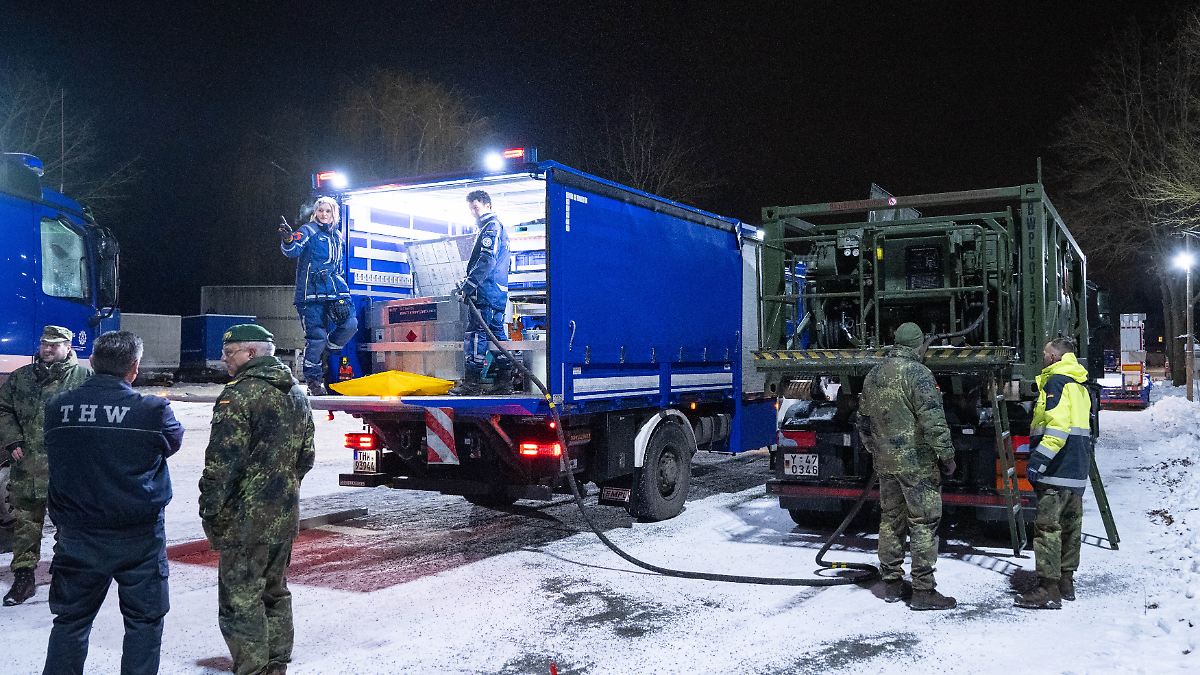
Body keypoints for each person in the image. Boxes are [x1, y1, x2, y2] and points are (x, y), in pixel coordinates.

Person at [41, 331, 184, 675]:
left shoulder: (58, 406)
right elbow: (172, 443)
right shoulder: (152, 410)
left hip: (77, 535)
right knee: (144, 622)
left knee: (71, 621)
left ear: (92, 362)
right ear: (134, 367)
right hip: (139, 538)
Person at [199, 324, 315, 675]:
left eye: (229, 352)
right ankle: (276, 662)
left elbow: (222, 462)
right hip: (283, 512)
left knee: (240, 598)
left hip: (244, 518)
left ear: (251, 353)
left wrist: (210, 508)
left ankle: (252, 668)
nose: (223, 358)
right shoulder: (296, 392)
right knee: (275, 590)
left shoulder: (239, 395)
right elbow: (306, 457)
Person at [857, 322, 957, 611]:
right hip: (917, 464)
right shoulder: (918, 374)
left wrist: (876, 450)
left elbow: (863, 421)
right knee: (923, 523)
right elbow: (933, 420)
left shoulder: (874, 374)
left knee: (891, 520)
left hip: (886, 463)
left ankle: (891, 584)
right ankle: (923, 591)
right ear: (918, 345)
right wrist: (947, 456)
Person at [0, 325, 92, 606]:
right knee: (26, 523)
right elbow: (4, 409)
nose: (47, 349)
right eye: (44, 343)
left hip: (68, 468)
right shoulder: (22, 377)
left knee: (69, 522)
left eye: (54, 344)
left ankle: (65, 571)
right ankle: (24, 577)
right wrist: (12, 440)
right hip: (28, 465)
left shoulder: (84, 378)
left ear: (68, 347)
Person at [1016, 337, 1093, 610]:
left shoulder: (1055, 382)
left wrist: (1038, 461)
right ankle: (1066, 583)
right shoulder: (1079, 384)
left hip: (1057, 468)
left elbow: (1057, 429)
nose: (1043, 357)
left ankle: (1048, 589)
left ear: (1054, 357)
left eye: (1045, 353)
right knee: (1071, 526)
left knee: (1048, 528)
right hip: (1076, 468)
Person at [280, 196, 357, 397]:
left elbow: (338, 268)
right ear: (315, 212)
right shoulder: (308, 230)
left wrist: (342, 291)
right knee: (317, 338)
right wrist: (288, 239)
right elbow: (292, 250)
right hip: (309, 295)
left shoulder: (338, 236)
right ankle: (314, 381)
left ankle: (325, 353)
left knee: (350, 325)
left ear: (334, 214)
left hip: (333, 292)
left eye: (328, 211)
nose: (324, 214)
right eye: (320, 210)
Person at [449, 190, 513, 396]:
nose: (473, 213)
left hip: (486, 293)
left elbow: (487, 259)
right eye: (471, 209)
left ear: (487, 205)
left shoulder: (490, 227)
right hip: (497, 293)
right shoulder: (496, 227)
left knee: (477, 334)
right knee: (497, 336)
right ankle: (505, 381)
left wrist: (468, 286)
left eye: (475, 208)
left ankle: (473, 383)